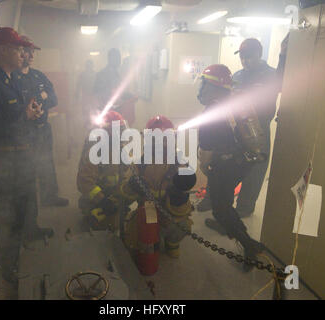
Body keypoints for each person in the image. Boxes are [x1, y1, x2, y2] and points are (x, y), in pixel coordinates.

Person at [0, 27, 53, 287]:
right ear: (3, 50)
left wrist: (33, 111)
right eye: (18, 49)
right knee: (8, 216)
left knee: (27, 204)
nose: (23, 53)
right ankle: (8, 265)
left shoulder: (12, 79)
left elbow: (21, 110)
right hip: (6, 161)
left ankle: (29, 235)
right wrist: (24, 116)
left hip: (23, 156)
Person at [197, 38, 279, 217]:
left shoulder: (271, 75)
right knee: (219, 163)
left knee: (255, 169)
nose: (244, 60)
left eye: (248, 56)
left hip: (259, 127)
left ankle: (244, 207)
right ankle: (211, 199)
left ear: (259, 54)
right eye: (242, 56)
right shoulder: (237, 76)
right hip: (235, 127)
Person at [197, 64, 264, 269]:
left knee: (221, 208)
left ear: (213, 87)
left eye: (204, 84)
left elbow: (207, 153)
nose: (201, 89)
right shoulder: (232, 102)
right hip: (242, 162)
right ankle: (226, 221)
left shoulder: (211, 113)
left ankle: (248, 244)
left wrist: (204, 167)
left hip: (226, 166)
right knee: (224, 200)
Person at [121, 116, 196, 258]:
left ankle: (172, 243)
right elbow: (124, 191)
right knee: (135, 237)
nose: (160, 143)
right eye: (155, 138)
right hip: (146, 213)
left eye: (165, 138)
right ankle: (150, 241)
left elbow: (185, 208)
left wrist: (178, 199)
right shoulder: (140, 162)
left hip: (169, 214)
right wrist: (132, 186)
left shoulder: (179, 164)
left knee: (183, 225)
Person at [14, 35, 69, 207]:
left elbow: (53, 98)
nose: (31, 56)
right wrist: (40, 97)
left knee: (47, 162)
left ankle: (49, 196)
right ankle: (30, 206)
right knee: (28, 167)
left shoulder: (38, 76)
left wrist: (41, 98)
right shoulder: (12, 78)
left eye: (33, 52)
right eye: (27, 52)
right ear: (20, 52)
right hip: (26, 131)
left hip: (43, 128)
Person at [77, 110, 129, 231]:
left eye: (121, 129)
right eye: (118, 131)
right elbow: (84, 182)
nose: (121, 134)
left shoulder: (120, 148)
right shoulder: (95, 151)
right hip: (99, 197)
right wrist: (102, 201)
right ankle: (89, 210)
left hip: (113, 193)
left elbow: (127, 172)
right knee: (100, 223)